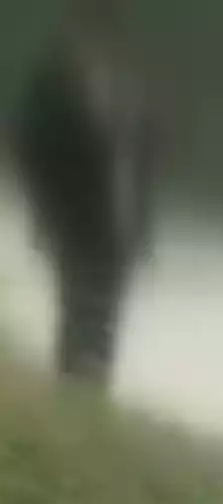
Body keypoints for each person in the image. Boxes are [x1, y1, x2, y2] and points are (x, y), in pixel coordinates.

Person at [9, 0, 161, 390]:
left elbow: (143, 151)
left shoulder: (127, 82)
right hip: (75, 216)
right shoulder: (56, 80)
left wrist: (142, 220)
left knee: (105, 314)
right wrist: (45, 208)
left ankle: (91, 390)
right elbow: (28, 145)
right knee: (80, 308)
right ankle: (75, 389)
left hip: (119, 220)